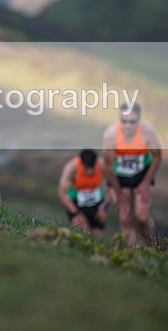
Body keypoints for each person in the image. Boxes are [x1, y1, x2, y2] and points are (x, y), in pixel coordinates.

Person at [102, 102, 162, 246]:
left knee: (141, 216)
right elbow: (108, 166)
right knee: (124, 217)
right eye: (124, 121)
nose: (128, 126)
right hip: (120, 178)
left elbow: (157, 156)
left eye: (132, 122)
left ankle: (154, 248)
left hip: (141, 174)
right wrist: (117, 192)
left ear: (139, 120)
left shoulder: (147, 132)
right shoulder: (110, 135)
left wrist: (146, 182)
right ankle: (133, 255)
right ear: (119, 119)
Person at [58, 149, 112, 238]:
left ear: (96, 163)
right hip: (77, 203)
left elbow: (110, 187)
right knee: (82, 232)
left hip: (96, 203)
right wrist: (76, 213)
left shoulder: (102, 166)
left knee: (98, 236)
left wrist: (104, 207)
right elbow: (62, 193)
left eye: (92, 168)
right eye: (87, 169)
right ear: (82, 164)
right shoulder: (71, 169)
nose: (90, 172)